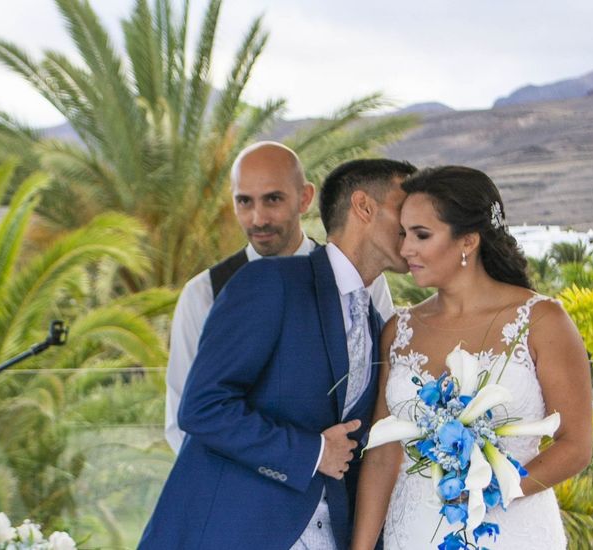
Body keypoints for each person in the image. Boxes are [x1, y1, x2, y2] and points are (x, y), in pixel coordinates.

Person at [139, 158, 417, 550]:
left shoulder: (374, 319)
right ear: (364, 207)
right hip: (236, 532)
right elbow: (202, 408)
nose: (417, 228)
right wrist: (312, 452)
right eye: (406, 211)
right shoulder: (268, 282)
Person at [351, 166, 593, 550]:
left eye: (421, 235)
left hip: (510, 530)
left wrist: (491, 491)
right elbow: (382, 456)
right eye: (404, 234)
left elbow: (575, 445)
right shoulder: (399, 330)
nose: (405, 249)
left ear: (468, 241)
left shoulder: (542, 320)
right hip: (412, 530)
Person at [164, 142, 393, 453]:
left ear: (305, 198)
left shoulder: (363, 282)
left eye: (272, 199)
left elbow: (383, 394)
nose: (258, 218)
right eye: (244, 201)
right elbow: (183, 420)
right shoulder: (203, 294)